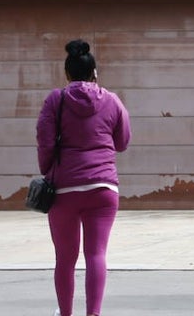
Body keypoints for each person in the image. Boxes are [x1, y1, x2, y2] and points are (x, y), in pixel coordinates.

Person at [37, 39, 131, 316]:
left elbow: (44, 141)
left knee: (65, 259)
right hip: (103, 187)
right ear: (95, 73)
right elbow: (123, 141)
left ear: (67, 74)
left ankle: (66, 313)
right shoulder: (112, 100)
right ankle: (94, 314)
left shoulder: (57, 99)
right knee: (96, 254)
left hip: (64, 189)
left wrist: (48, 170)